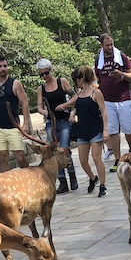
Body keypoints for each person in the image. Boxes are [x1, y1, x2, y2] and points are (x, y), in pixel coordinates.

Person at [59, 66, 108, 197]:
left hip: (95, 129)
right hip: (82, 130)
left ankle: (103, 185)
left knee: (96, 158)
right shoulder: (79, 94)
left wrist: (106, 130)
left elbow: (103, 111)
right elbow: (78, 107)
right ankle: (93, 178)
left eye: (76, 80)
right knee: (82, 160)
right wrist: (73, 113)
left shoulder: (96, 93)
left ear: (81, 79)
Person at [95, 33, 131, 171]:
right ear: (101, 45)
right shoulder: (98, 60)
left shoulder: (121, 57)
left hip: (123, 98)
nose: (110, 47)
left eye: (111, 44)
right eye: (107, 45)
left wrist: (122, 75)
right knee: (113, 131)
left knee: (128, 128)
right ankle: (118, 159)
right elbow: (98, 79)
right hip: (107, 100)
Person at [36, 58, 78, 194]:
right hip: (51, 123)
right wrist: (44, 112)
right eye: (41, 74)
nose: (44, 77)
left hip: (64, 120)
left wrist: (65, 105)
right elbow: (39, 107)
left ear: (51, 71)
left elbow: (74, 97)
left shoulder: (62, 82)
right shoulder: (41, 88)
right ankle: (62, 180)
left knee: (64, 148)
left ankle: (71, 174)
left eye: (46, 73)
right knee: (53, 151)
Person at [0, 54, 32, 171]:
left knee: (20, 157)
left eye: (5, 66)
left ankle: (29, 177)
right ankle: (8, 185)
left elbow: (24, 102)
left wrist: (26, 123)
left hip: (13, 126)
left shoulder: (15, 83)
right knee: (2, 158)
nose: (3, 68)